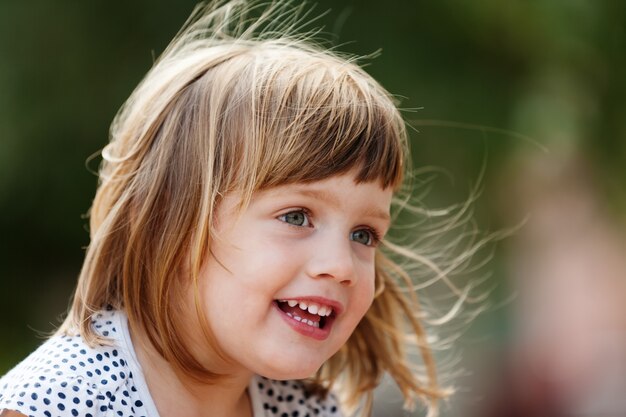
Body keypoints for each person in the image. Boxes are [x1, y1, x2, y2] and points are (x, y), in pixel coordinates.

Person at [0, 1, 454, 416]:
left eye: (363, 234)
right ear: (164, 221)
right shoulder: (57, 403)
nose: (342, 267)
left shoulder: (308, 410)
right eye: (296, 216)